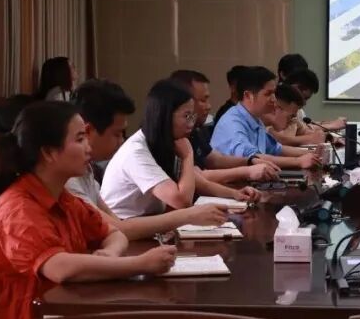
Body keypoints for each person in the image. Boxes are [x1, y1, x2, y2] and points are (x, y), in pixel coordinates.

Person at [0, 102, 176, 319]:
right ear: (49, 153)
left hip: (54, 310)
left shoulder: (62, 196)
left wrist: (110, 253)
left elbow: (114, 232)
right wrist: (139, 264)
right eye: (80, 139)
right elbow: (59, 268)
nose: (88, 147)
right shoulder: (18, 209)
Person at [67, 79, 229, 240]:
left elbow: (117, 228)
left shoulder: (85, 170)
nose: (121, 141)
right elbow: (120, 228)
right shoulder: (70, 178)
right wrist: (188, 215)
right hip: (130, 230)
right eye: (117, 134)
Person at [101, 79, 260, 219]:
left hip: (149, 221)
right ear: (164, 116)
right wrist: (187, 156)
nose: (191, 123)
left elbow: (199, 182)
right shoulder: (137, 152)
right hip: (126, 227)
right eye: (186, 116)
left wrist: (235, 194)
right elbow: (181, 202)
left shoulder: (168, 141)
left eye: (192, 116)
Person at [169, 70, 280, 184]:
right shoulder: (167, 138)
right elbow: (198, 177)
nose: (209, 106)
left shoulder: (194, 131)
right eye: (203, 100)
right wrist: (247, 171)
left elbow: (214, 160)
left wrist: (250, 161)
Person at [209, 66, 321, 169]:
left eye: (274, 93)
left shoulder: (255, 120)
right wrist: (298, 161)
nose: (274, 99)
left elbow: (276, 149)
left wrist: (314, 153)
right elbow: (254, 158)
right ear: (248, 96)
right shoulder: (233, 123)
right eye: (268, 94)